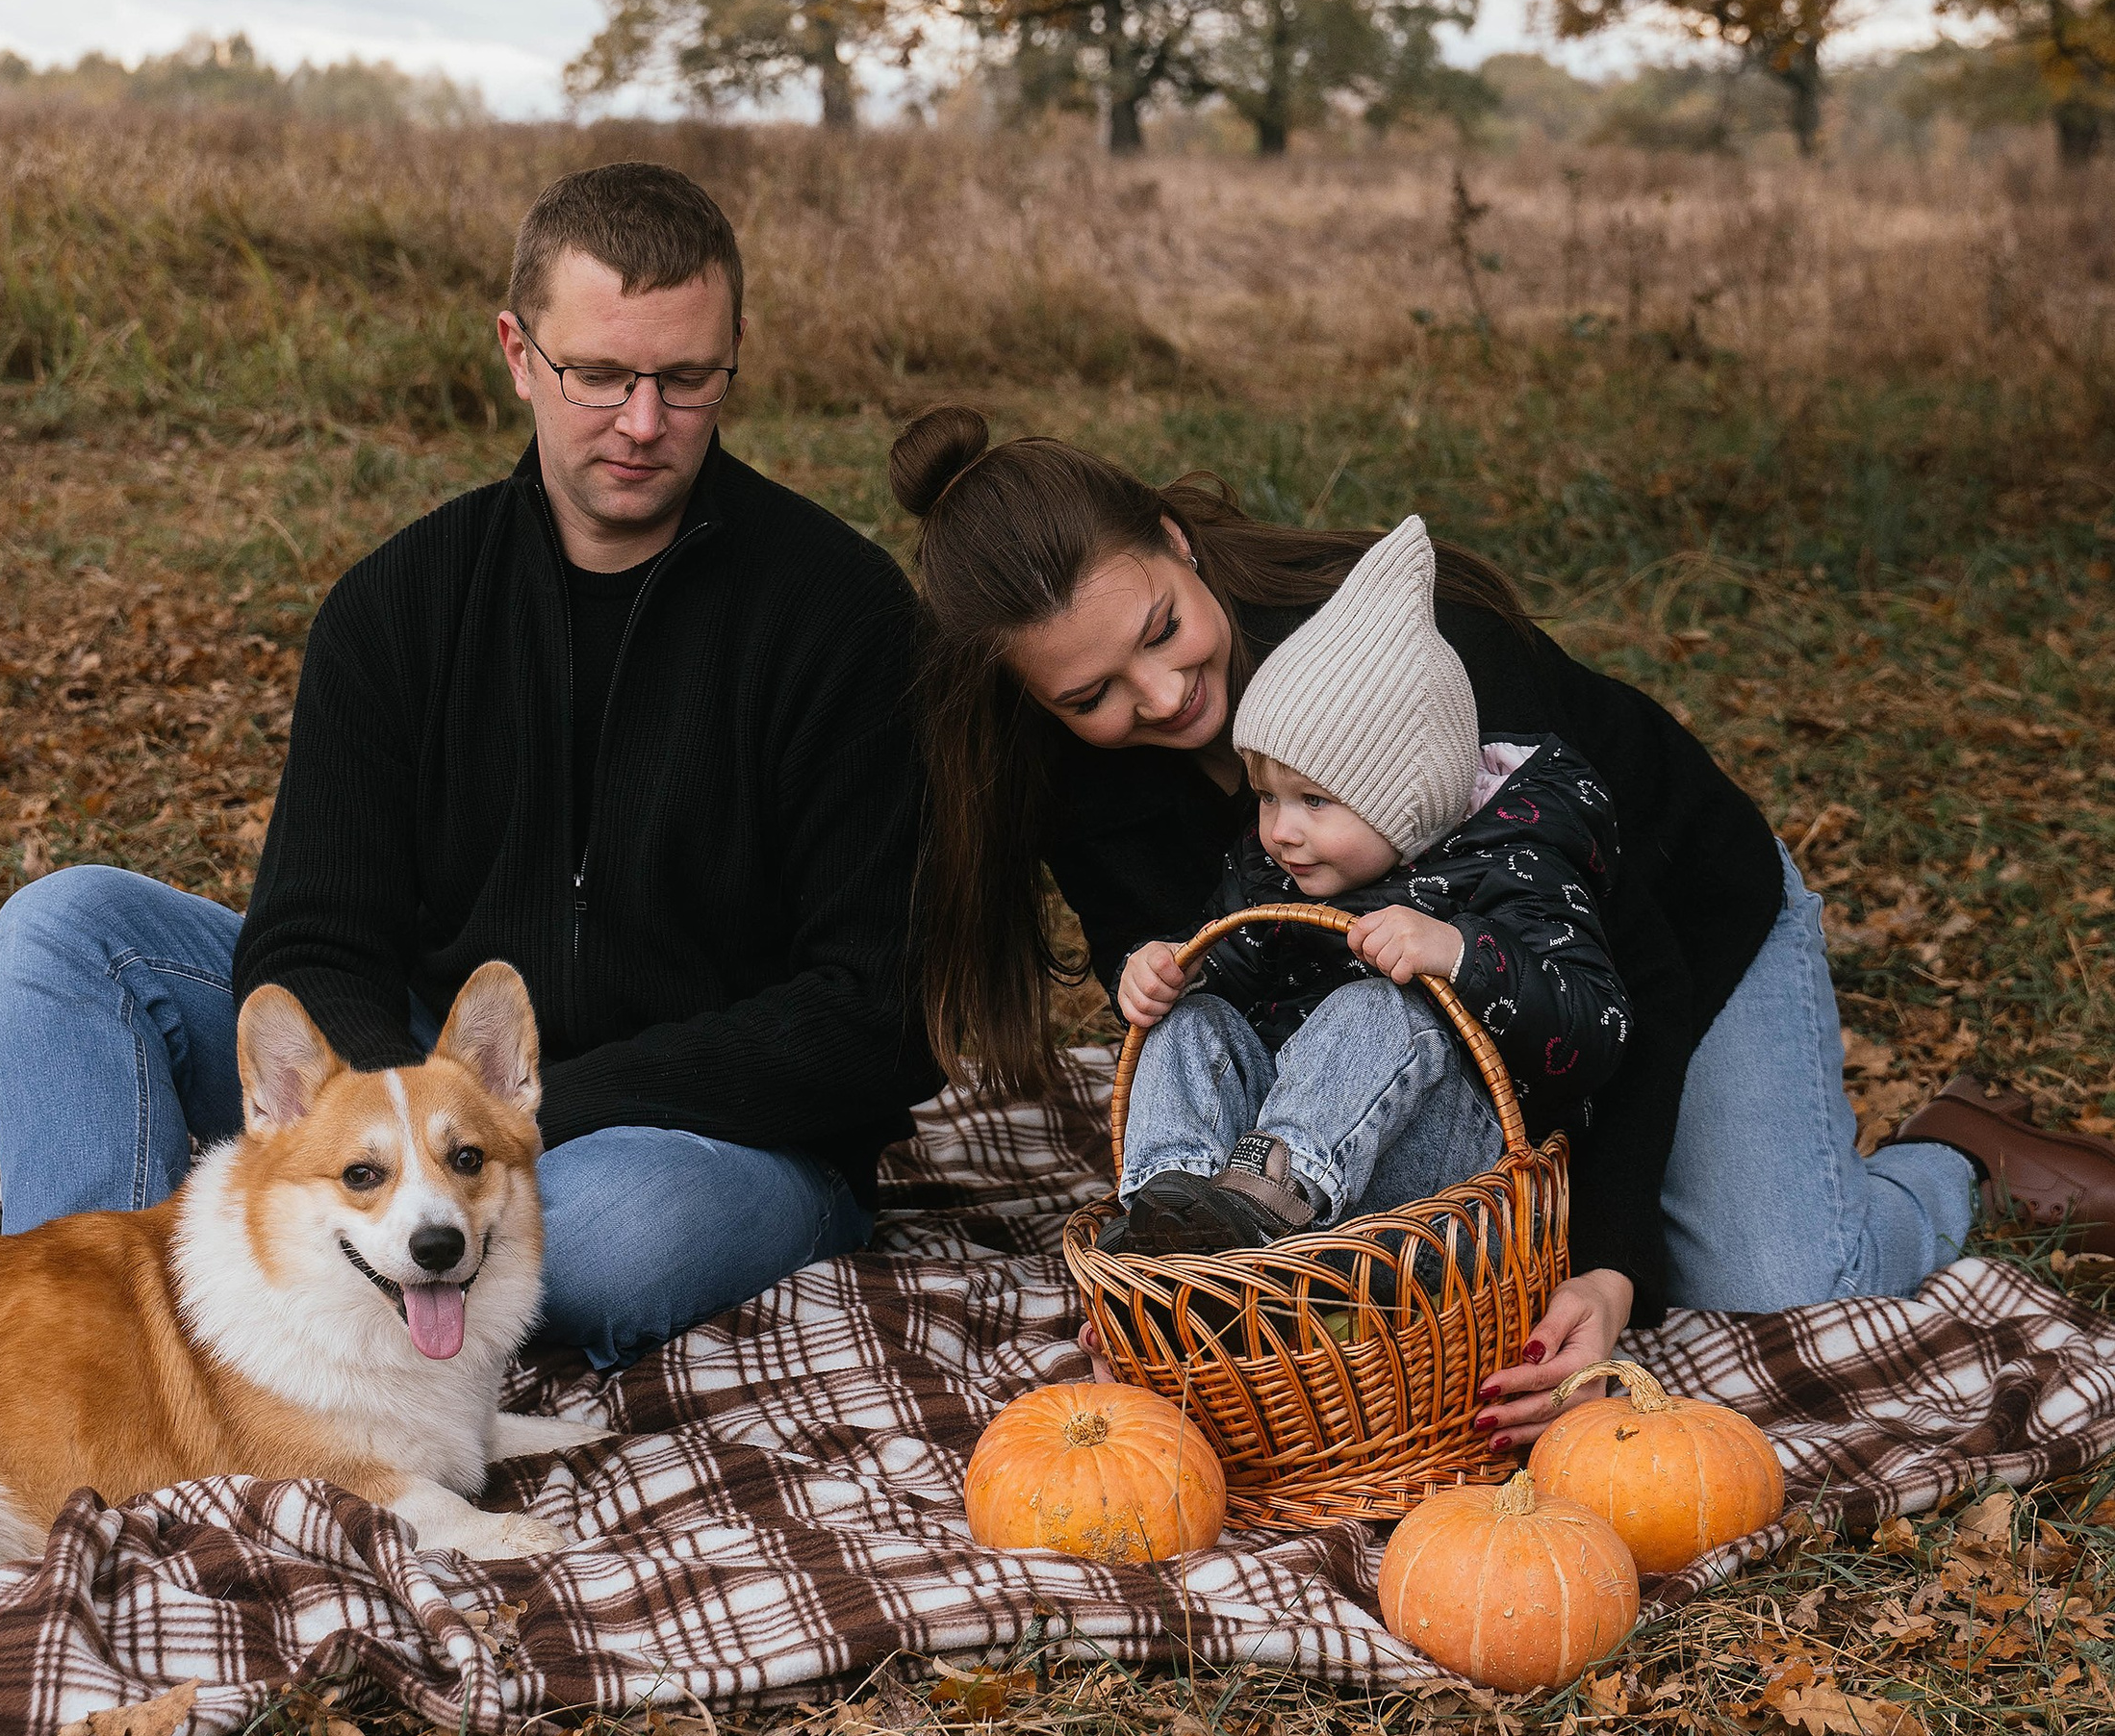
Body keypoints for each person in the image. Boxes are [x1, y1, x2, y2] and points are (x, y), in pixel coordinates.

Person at [893, 406, 2115, 1445]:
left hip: (1660, 926)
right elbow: (1215, 1015)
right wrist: (1176, 1306)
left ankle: (1949, 1157)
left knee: (1776, 1278)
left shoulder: (1418, 665)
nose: (1158, 697)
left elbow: (1629, 966)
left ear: (1175, 542)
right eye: (1090, 693)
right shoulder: (1080, 788)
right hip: (1415, 1017)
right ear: (1032, 699)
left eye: (1160, 631)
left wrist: (1607, 1264)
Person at [0, 164, 938, 1369]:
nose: (643, 423)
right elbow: (313, 936)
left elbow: (881, 1010)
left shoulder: (842, 615)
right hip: (425, 1083)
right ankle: (77, 1340)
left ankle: (341, 1264)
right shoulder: (399, 606)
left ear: (732, 358)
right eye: (599, 375)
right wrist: (410, 1126)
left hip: (701, 1133)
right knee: (67, 930)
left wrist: (527, 1114)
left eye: (687, 380)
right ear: (517, 351)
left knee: (592, 1244)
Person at [1104, 515, 1631, 1261]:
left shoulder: (1507, 863)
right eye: (1268, 797)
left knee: (1379, 1007)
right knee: (1190, 1026)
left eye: (1314, 801)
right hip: (1280, 1164)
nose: (1280, 830)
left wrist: (1462, 954)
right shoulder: (1271, 869)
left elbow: (1594, 1032)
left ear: (1403, 803)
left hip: (1438, 1182)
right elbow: (1229, 976)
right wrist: (1167, 971)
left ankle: (1265, 1209)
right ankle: (1168, 1222)